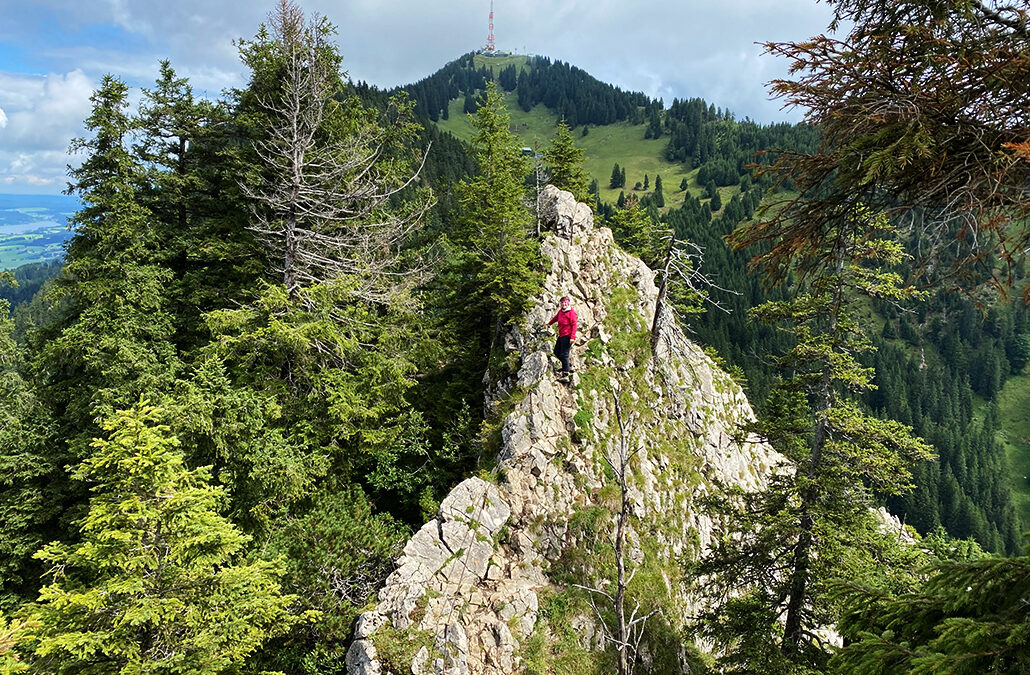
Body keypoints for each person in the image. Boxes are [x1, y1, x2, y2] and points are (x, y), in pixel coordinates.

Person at [548, 295, 577, 380]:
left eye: (565, 302)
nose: (564, 304)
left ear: (568, 303)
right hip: (561, 335)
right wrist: (549, 323)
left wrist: (572, 337)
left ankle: (565, 374)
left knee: (564, 354)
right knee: (556, 352)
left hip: (568, 336)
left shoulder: (571, 312)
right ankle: (568, 366)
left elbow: (574, 325)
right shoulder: (561, 311)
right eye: (562, 302)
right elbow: (556, 318)